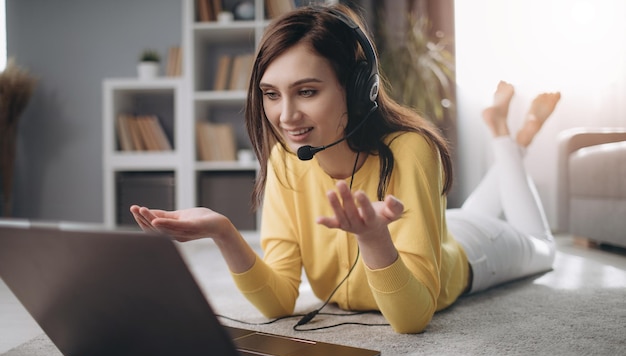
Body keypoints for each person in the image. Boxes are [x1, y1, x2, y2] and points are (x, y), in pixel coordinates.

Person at [130, 5, 561, 334]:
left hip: (476, 252)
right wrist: (224, 232)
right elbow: (279, 300)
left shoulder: (411, 149)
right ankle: (514, 138)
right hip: (446, 226)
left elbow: (412, 318)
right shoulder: (286, 159)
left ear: (358, 89)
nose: (285, 116)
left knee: (544, 247)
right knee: (473, 211)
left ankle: (507, 137)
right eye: (271, 94)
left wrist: (374, 238)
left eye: (307, 91)